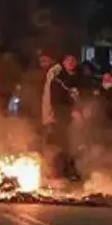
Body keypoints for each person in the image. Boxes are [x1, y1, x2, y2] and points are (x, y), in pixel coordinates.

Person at [42, 53, 81, 181]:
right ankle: (59, 175)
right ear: (62, 61)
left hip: (68, 119)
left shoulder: (76, 77)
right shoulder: (58, 78)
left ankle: (68, 173)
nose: (71, 62)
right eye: (68, 60)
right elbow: (56, 101)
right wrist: (71, 112)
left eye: (73, 59)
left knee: (69, 145)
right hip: (59, 118)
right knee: (62, 145)